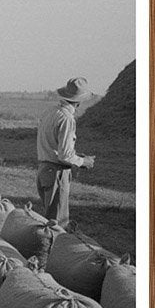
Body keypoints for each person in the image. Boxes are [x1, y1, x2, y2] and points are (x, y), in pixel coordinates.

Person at [35, 76, 95, 227]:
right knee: (57, 225)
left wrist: (75, 155)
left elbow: (55, 146)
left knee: (49, 219)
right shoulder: (67, 118)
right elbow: (65, 155)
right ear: (79, 102)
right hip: (57, 173)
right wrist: (83, 162)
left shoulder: (50, 112)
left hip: (44, 170)